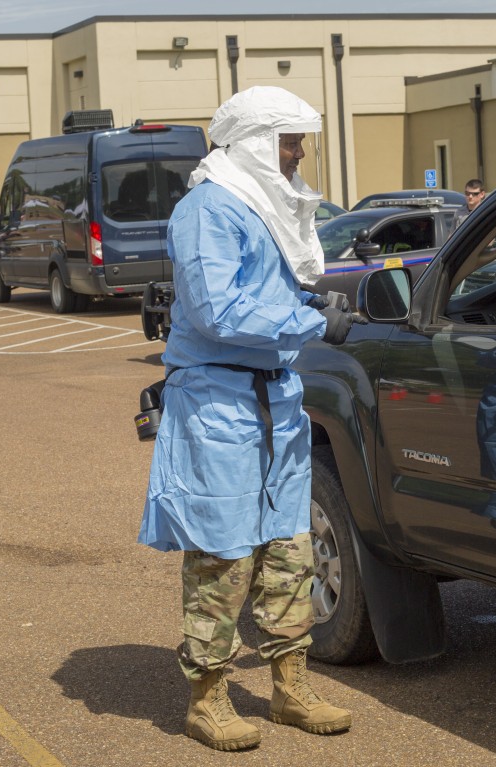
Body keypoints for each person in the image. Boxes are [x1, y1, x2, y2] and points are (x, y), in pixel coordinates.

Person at [139, 86, 359, 752]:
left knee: (288, 550)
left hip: (276, 397)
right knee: (224, 553)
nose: (297, 154)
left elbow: (266, 290)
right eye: (288, 140)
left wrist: (309, 300)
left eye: (299, 141)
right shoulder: (208, 208)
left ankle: (291, 687)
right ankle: (208, 697)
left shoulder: (262, 206)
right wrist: (309, 319)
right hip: (220, 402)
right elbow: (218, 312)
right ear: (255, 142)